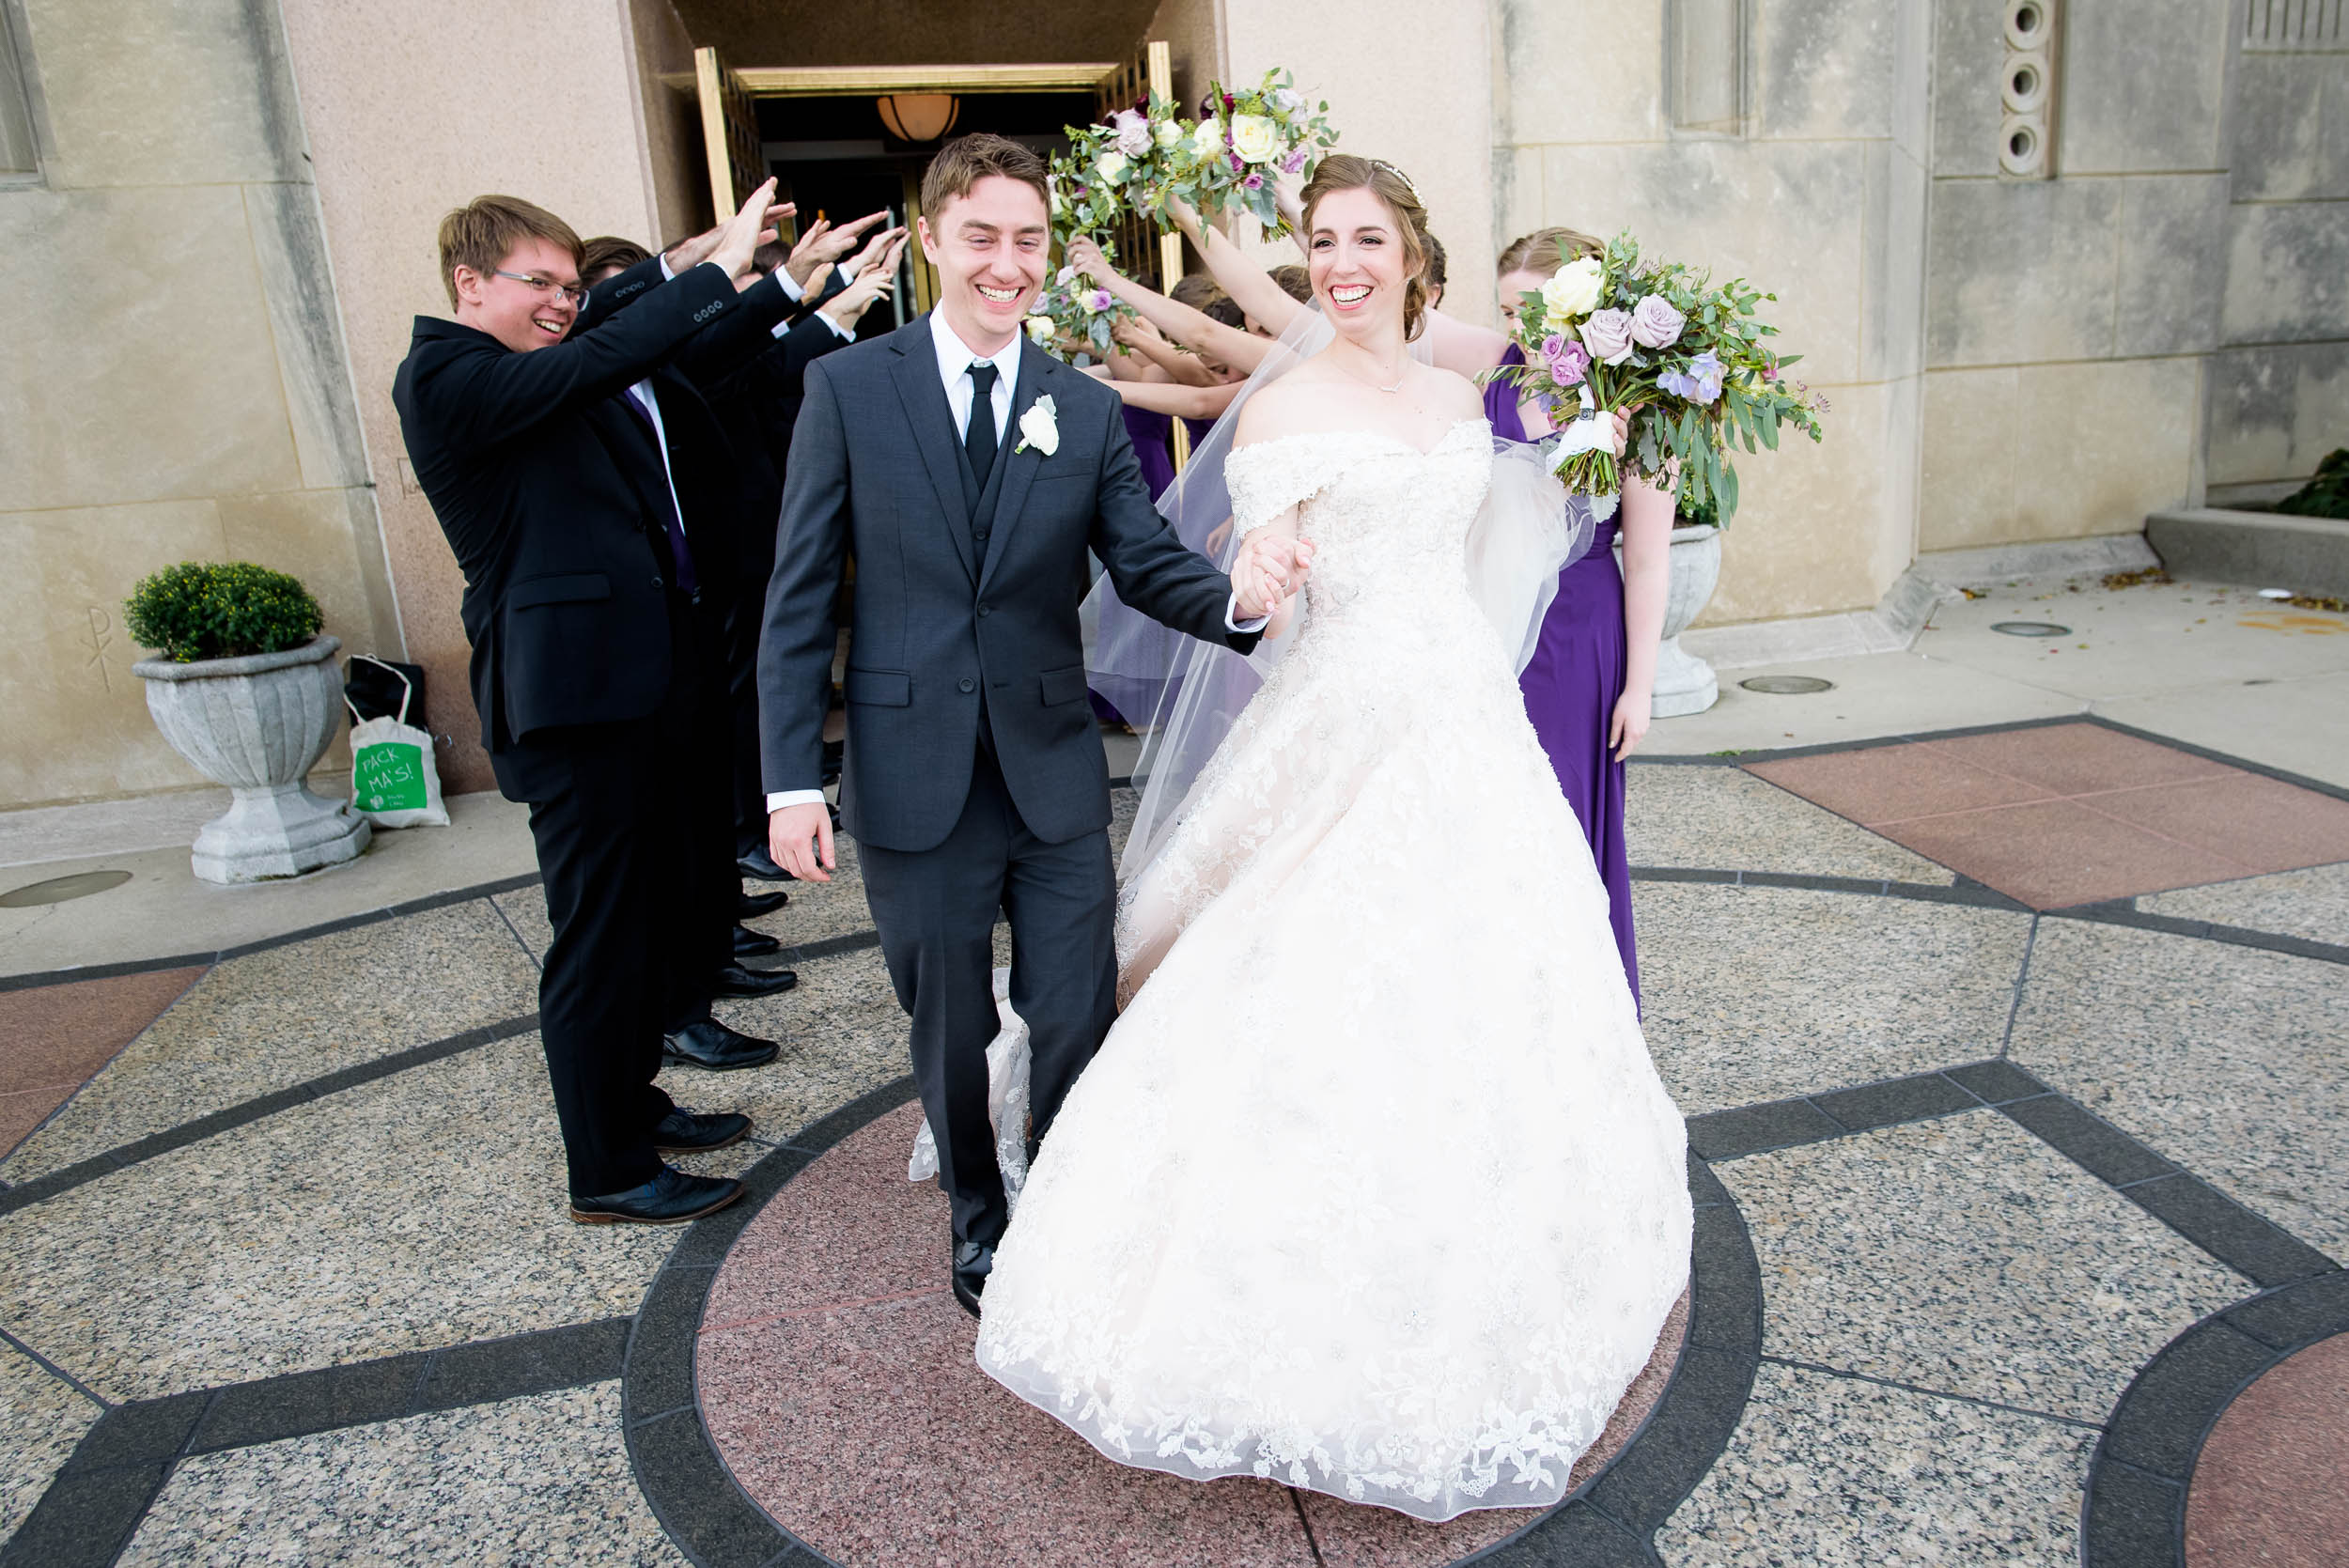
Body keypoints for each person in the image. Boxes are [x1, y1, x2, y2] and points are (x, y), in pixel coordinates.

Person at [972, 156, 1691, 1521]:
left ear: (1416, 256)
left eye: (1368, 238)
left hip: (1466, 706)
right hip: (1349, 702)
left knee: (1500, 976)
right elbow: (1264, 568)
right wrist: (1262, 574)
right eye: (1322, 240)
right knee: (1295, 960)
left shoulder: (1460, 382)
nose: (1344, 261)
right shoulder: (1287, 403)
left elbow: (1549, 467)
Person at [757, 133, 1305, 1314]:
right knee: (948, 1024)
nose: (1006, 264)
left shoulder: (1080, 405)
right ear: (931, 241)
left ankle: (1060, 1193)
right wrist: (790, 778)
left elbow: (1148, 559)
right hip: (911, 774)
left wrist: (1244, 607)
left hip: (1050, 767)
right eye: (982, 238)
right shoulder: (848, 390)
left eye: (1027, 241)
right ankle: (977, 1212)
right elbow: (798, 593)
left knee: (1071, 1008)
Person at [393, 184, 790, 1224]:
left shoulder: (528, 360)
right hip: (573, 707)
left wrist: (687, 264)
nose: (567, 305)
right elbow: (603, 351)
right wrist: (716, 269)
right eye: (544, 285)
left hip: (636, 690)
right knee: (600, 937)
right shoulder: (445, 375)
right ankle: (605, 1169)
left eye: (574, 285)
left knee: (647, 918)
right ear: (468, 284)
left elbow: (609, 327)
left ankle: (633, 1101)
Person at [1487, 225, 1666, 1001]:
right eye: (1504, 312)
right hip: (1489, 622)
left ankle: (1571, 1006)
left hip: (1578, 630)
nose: (1517, 332)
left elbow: (1651, 560)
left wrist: (1640, 688)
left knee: (1559, 812)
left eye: (1534, 315)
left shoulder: (1639, 409)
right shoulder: (1492, 378)